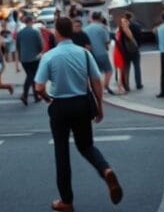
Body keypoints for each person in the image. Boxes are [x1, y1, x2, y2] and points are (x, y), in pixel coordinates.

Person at [35, 17, 123, 211]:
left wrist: (47, 98)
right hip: (82, 104)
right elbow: (96, 81)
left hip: (60, 107)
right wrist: (99, 106)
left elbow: (39, 86)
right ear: (72, 32)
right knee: (86, 146)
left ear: (57, 32)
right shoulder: (84, 53)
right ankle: (105, 169)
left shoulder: (49, 56)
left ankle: (66, 201)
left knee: (62, 153)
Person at [83, 12, 115, 95]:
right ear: (100, 18)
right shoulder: (103, 28)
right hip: (102, 53)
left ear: (92, 18)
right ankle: (105, 86)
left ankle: (94, 88)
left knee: (94, 73)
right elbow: (107, 41)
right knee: (108, 70)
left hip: (90, 54)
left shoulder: (86, 29)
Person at [17, 13, 44, 106]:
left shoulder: (20, 33)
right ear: (31, 21)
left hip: (24, 59)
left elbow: (18, 46)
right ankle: (25, 95)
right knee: (32, 76)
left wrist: (20, 56)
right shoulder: (35, 32)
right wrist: (39, 51)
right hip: (34, 58)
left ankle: (36, 96)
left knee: (30, 75)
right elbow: (41, 45)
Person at [116, 14, 140, 93]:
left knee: (126, 69)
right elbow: (131, 37)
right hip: (131, 51)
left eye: (125, 21)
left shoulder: (119, 30)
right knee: (132, 67)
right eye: (123, 22)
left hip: (124, 51)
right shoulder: (125, 29)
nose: (125, 23)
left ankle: (126, 86)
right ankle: (131, 85)